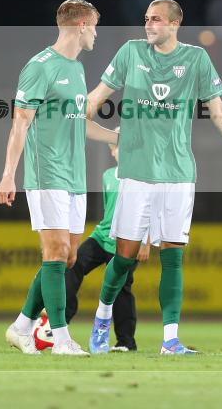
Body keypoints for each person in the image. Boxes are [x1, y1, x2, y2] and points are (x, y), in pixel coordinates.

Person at [86, 0, 222, 355]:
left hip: (178, 174)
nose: (149, 24)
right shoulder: (130, 53)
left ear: (175, 24)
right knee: (124, 257)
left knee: (172, 256)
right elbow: (96, 98)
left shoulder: (196, 59)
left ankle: (170, 339)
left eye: (156, 19)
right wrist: (79, 113)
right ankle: (102, 318)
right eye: (146, 18)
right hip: (136, 172)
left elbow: (219, 113)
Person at [0, 0, 118, 357]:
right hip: (47, 173)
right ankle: (61, 339)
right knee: (56, 251)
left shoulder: (77, 69)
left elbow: (81, 125)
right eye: (94, 26)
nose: (96, 34)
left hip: (75, 176)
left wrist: (120, 138)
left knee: (68, 258)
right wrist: (8, 175)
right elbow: (20, 123)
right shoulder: (40, 67)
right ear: (81, 26)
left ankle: (21, 326)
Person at [64, 128, 150, 352]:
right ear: (113, 152)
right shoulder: (108, 176)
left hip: (128, 241)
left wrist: (146, 242)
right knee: (72, 264)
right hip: (102, 237)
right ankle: (60, 324)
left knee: (121, 288)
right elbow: (109, 211)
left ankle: (126, 342)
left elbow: (151, 210)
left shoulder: (144, 177)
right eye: (119, 146)